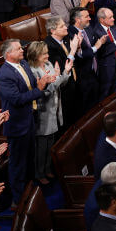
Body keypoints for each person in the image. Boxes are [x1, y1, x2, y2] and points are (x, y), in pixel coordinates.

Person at [0, 39, 56, 206]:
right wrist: (40, 89)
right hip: (17, 125)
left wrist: (43, 82)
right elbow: (17, 99)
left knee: (29, 160)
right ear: (8, 54)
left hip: (29, 119)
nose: (22, 50)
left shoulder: (23, 63)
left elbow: (31, 85)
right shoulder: (4, 75)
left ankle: (31, 193)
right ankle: (19, 200)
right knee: (18, 165)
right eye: (18, 49)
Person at [26, 40, 72, 185]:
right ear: (36, 55)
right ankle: (39, 173)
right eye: (44, 53)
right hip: (43, 113)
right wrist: (57, 79)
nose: (47, 55)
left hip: (54, 110)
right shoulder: (32, 71)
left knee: (50, 144)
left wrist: (66, 72)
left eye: (47, 52)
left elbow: (59, 84)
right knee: (41, 146)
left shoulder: (48, 65)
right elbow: (43, 92)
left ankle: (46, 169)